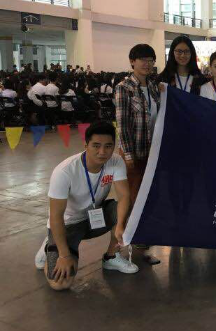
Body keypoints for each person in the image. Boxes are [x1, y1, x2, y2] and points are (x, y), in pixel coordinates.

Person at [34, 121, 139, 291]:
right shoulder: (64, 171)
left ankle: (111, 257)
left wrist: (120, 225)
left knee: (127, 207)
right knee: (60, 284)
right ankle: (50, 245)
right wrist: (64, 255)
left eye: (108, 146)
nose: (102, 152)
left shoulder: (115, 161)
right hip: (68, 225)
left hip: (94, 217)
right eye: (96, 145)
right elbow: (56, 216)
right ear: (86, 145)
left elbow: (124, 196)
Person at [115, 44, 161, 265]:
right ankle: (121, 248)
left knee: (146, 198)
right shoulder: (124, 88)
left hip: (151, 152)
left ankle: (141, 244)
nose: (147, 64)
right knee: (132, 199)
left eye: (150, 60)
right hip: (134, 154)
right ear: (132, 61)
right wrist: (128, 155)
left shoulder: (153, 87)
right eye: (142, 59)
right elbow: (122, 124)